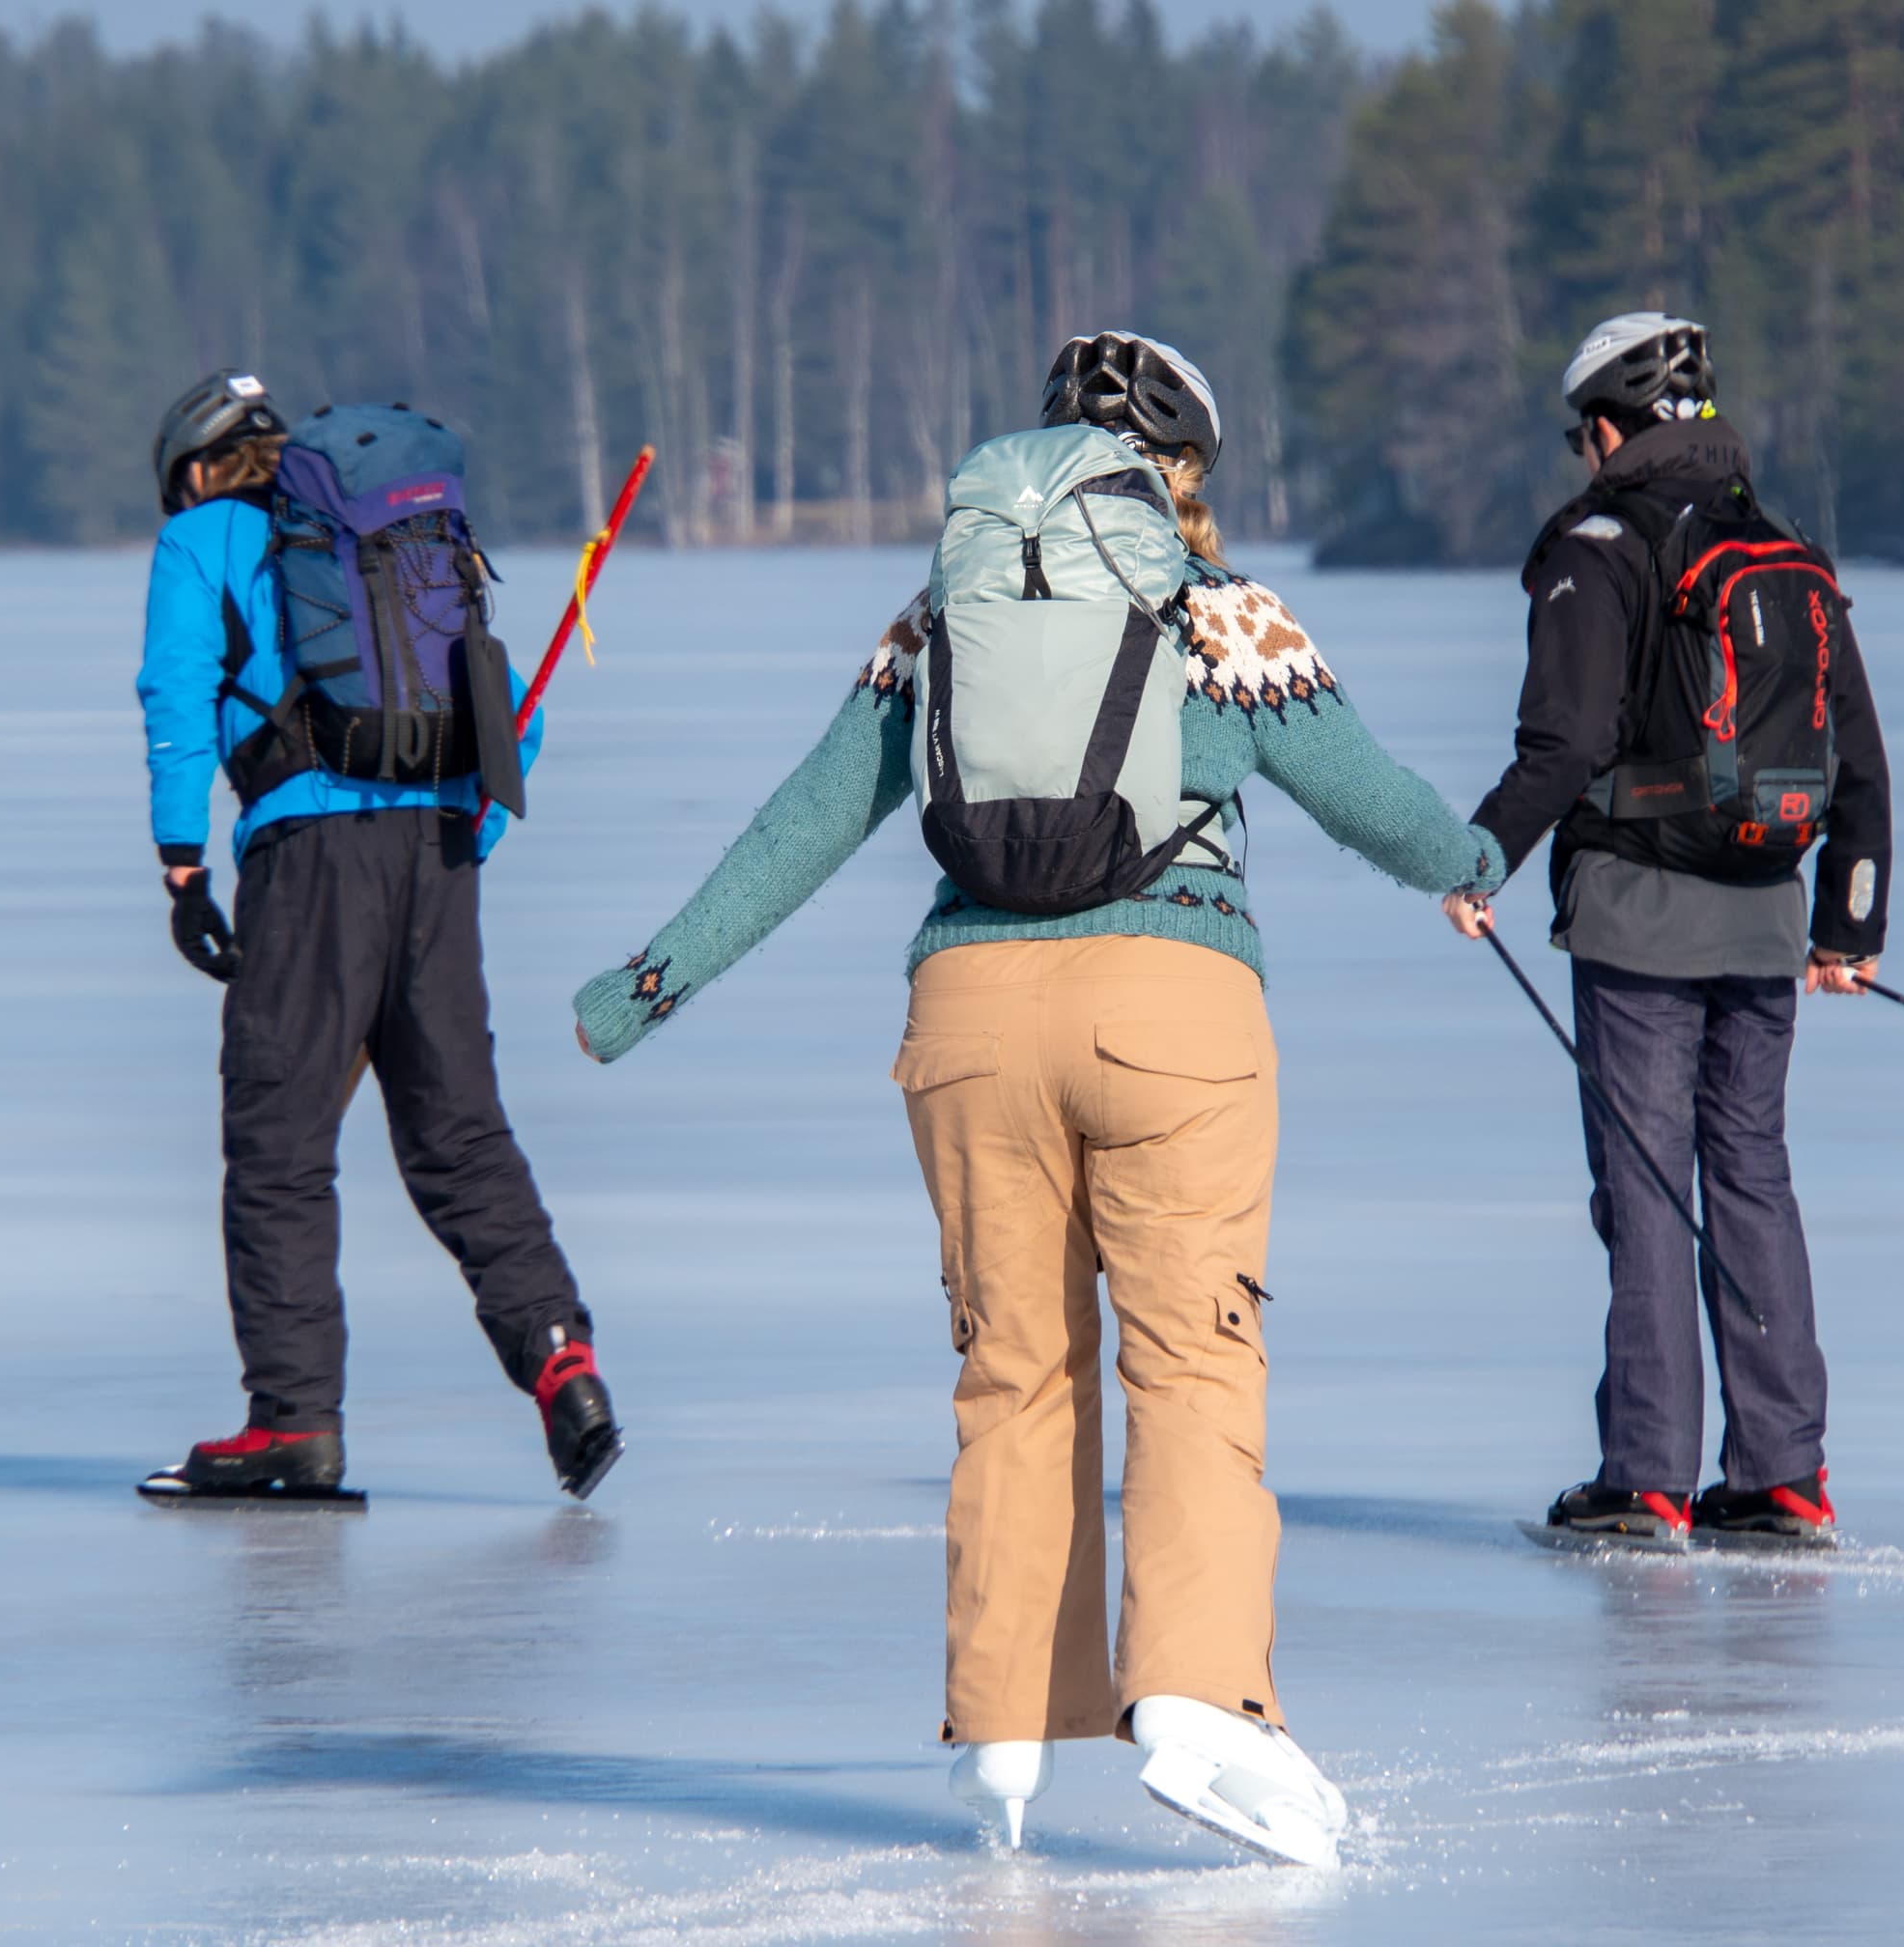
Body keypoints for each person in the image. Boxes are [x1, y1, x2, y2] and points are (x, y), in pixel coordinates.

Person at [570, 333, 1506, 1867]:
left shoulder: (939, 620)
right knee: (1194, 1367)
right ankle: (1199, 1704)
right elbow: (1376, 799)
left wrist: (646, 988)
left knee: (1015, 1376)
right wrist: (1466, 869)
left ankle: (1003, 1731)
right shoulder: (1227, 616)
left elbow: (805, 822)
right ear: (1184, 471)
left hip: (970, 1028)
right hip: (1171, 1019)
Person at [132, 371, 620, 1506]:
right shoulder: (400, 534)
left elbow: (173, 690)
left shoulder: (206, 538)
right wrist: (471, 825)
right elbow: (513, 712)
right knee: (460, 1134)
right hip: (438, 849)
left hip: (309, 864)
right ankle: (562, 1359)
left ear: (197, 471)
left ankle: (293, 1423)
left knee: (280, 1140)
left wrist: (182, 861)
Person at [1446, 313, 1891, 1549]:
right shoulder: (1782, 548)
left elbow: (1568, 742)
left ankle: (1646, 1475)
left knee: (1647, 1187)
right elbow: (1855, 741)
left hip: (1639, 922)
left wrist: (1480, 855)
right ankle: (1781, 1475)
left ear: (1604, 428)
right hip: (1766, 919)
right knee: (1751, 1176)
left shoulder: (1598, 546)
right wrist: (1853, 917)